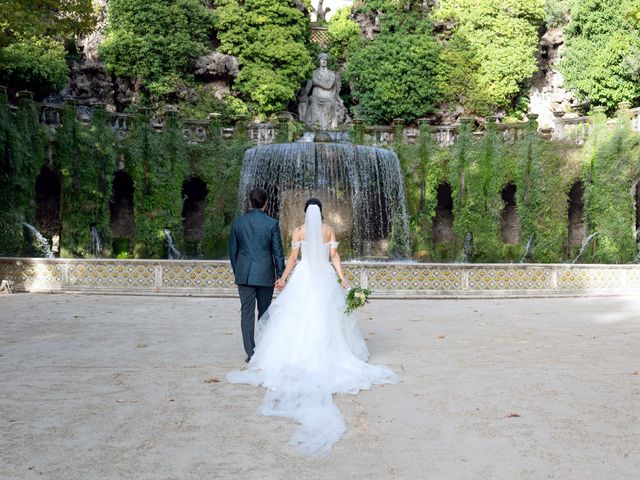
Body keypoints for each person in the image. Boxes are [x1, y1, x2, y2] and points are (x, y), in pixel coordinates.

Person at [227, 198, 398, 456]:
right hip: (324, 278)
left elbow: (294, 258)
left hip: (304, 278)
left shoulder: (298, 231)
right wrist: (343, 279)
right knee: (325, 316)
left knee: (296, 318)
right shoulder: (329, 230)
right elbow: (335, 256)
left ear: (305, 213)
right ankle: (326, 353)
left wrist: (283, 279)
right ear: (321, 214)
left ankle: (291, 354)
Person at [228, 187, 285, 363]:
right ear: (266, 202)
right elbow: (277, 252)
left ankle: (251, 353)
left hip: (244, 274)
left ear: (250, 202)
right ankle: (264, 350)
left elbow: (233, 251)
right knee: (265, 312)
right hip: (265, 273)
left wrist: (239, 270)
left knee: (246, 313)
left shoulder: (238, 222)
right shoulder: (272, 223)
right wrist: (281, 275)